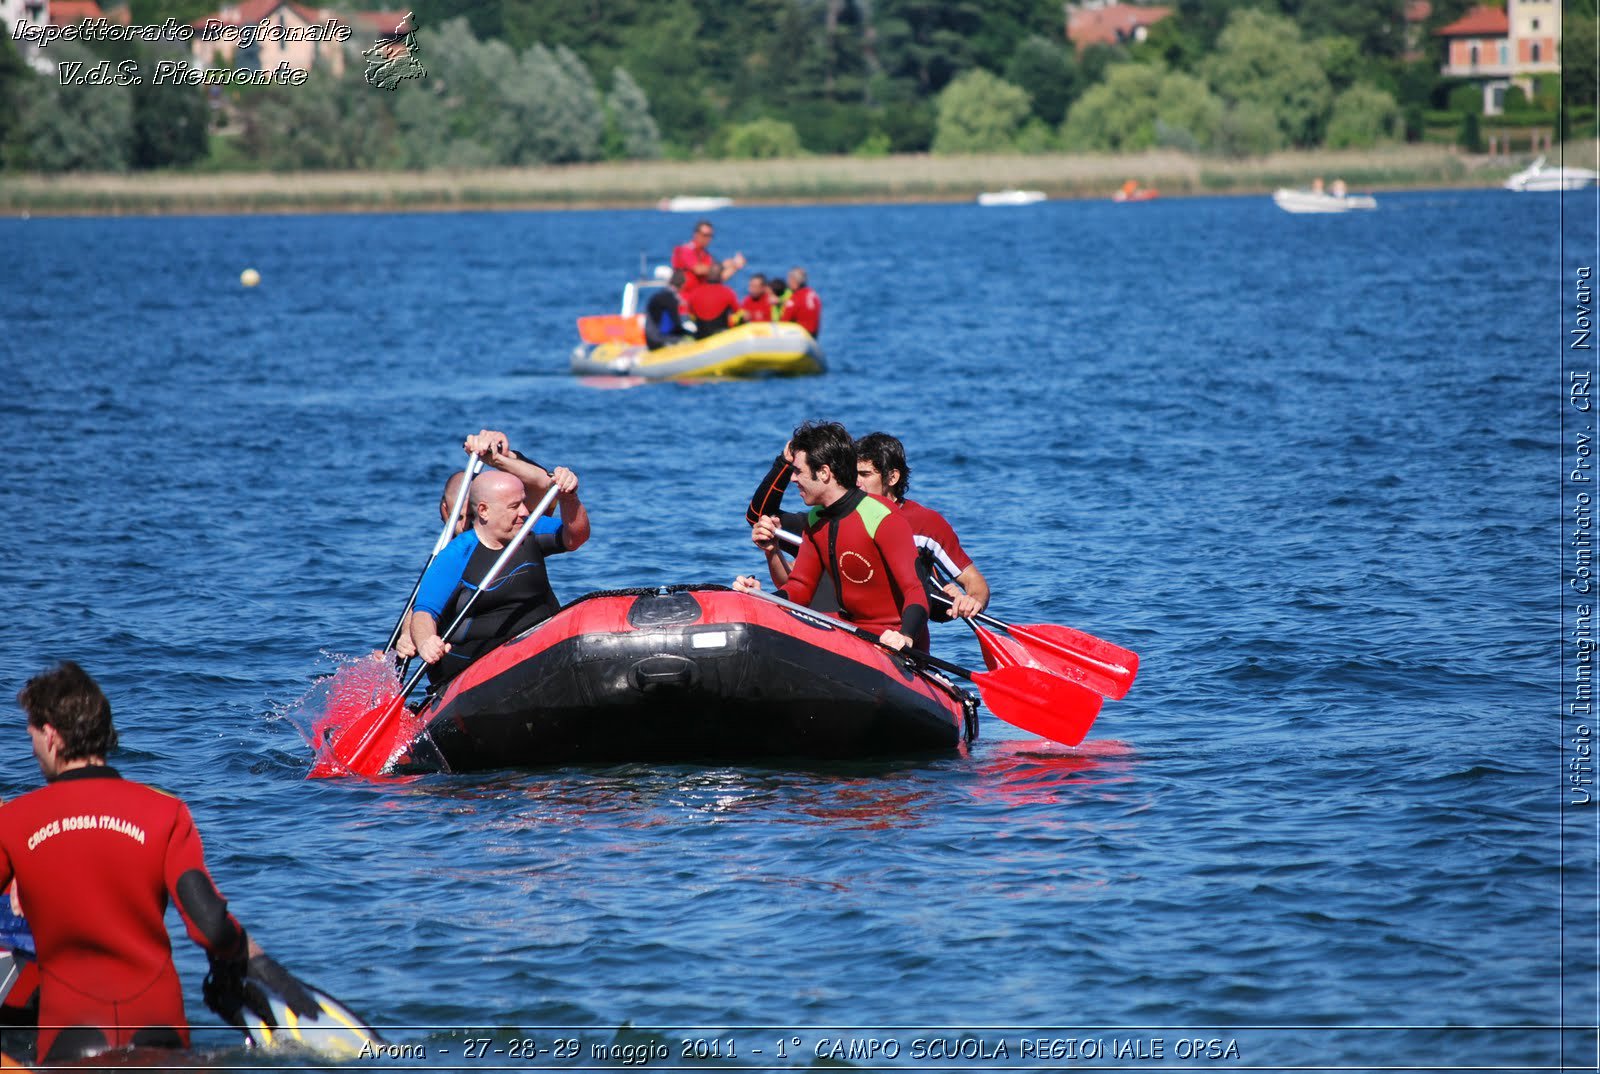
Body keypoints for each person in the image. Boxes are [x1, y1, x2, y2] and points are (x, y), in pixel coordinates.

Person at [0, 663, 307, 1064]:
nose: (34, 749)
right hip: (160, 1032)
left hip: (69, 1040)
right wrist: (240, 967)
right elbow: (211, 925)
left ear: (52, 737)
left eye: (33, 737)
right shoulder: (165, 813)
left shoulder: (15, 821)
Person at [734, 421, 927, 652]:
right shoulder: (817, 519)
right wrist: (760, 597)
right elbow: (800, 589)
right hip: (848, 631)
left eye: (798, 471)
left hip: (891, 639)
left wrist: (905, 636)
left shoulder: (881, 517)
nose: (793, 479)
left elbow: (916, 589)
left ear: (824, 473)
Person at [409, 465, 590, 687]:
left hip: (541, 647)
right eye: (514, 506)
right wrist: (427, 641)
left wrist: (568, 497)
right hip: (477, 666)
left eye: (523, 502)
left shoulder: (529, 530)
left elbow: (576, 537)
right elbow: (424, 613)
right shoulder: (456, 555)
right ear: (484, 510)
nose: (524, 511)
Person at [395, 430, 561, 661]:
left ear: (486, 509)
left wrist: (502, 458)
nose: (471, 522)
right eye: (462, 516)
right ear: (445, 510)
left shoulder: (515, 527)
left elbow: (544, 486)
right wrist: (409, 635)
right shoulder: (453, 554)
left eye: (475, 513)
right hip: (471, 658)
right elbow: (424, 604)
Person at [852, 432, 990, 620]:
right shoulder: (839, 515)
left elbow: (975, 582)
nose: (856, 482)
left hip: (899, 634)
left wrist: (972, 601)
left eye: (865, 474)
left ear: (892, 478)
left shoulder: (926, 524)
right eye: (853, 475)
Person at [671, 220, 745, 296]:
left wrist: (735, 267)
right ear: (696, 234)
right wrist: (722, 265)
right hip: (683, 298)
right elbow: (698, 269)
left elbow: (718, 277)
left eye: (710, 236)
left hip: (700, 298)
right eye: (705, 235)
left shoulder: (706, 256)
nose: (708, 239)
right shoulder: (685, 250)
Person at [686, 262, 742, 339]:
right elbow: (739, 313)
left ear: (707, 275)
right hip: (720, 337)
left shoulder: (695, 292)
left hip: (700, 336)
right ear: (721, 276)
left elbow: (690, 314)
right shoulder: (728, 292)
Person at [644, 270, 690, 350]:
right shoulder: (670, 299)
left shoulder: (662, 295)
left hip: (650, 339)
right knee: (689, 339)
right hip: (658, 341)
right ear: (682, 285)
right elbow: (676, 325)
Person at [779, 267, 821, 339]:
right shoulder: (813, 295)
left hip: (800, 336)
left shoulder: (795, 298)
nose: (788, 283)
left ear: (794, 281)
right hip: (813, 335)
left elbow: (784, 322)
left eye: (789, 279)